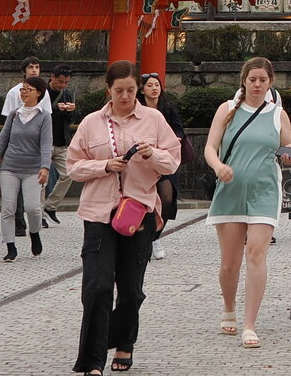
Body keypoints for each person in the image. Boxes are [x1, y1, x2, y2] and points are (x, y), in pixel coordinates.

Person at [67, 60, 180, 375]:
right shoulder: (91, 122)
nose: (126, 96)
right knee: (97, 287)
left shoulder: (154, 119)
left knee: (131, 290)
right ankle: (92, 362)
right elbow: (73, 166)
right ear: (109, 90)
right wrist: (104, 165)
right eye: (120, 91)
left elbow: (172, 161)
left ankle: (124, 342)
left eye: (132, 90)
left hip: (137, 212)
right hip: (98, 212)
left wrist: (152, 154)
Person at [204, 57, 291, 351]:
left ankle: (249, 324)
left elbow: (287, 148)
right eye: (253, 79)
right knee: (230, 263)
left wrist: (290, 154)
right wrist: (218, 166)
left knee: (256, 253)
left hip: (265, 191)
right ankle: (229, 306)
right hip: (230, 190)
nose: (257, 85)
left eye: (263, 80)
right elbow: (210, 146)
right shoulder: (227, 110)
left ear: (271, 83)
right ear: (243, 80)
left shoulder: (278, 114)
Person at [0, 76, 52, 261]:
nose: (23, 92)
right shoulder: (14, 114)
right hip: (10, 167)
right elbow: (2, 140)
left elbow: (47, 144)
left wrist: (45, 167)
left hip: (33, 168)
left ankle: (35, 233)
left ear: (38, 93)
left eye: (28, 89)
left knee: (32, 208)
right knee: (8, 208)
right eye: (22, 89)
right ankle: (10, 246)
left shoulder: (44, 116)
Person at [137, 74, 189, 259]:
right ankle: (141, 238)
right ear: (142, 90)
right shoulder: (137, 109)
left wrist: (176, 138)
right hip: (143, 160)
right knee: (144, 200)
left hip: (166, 158)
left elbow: (179, 129)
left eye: (157, 85)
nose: (154, 88)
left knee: (167, 198)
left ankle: (155, 237)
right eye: (149, 85)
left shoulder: (168, 108)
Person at [42, 67, 78, 223]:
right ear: (52, 77)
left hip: (62, 142)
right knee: (41, 179)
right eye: (60, 81)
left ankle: (50, 207)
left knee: (69, 174)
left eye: (66, 82)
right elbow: (39, 113)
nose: (63, 85)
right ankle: (39, 214)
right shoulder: (42, 92)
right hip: (44, 142)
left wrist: (71, 110)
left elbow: (72, 120)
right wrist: (57, 108)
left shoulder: (68, 94)